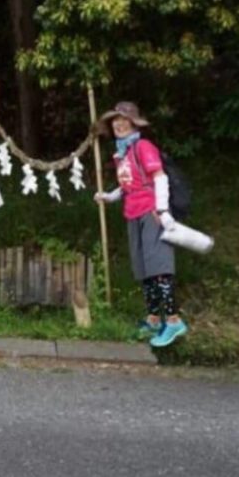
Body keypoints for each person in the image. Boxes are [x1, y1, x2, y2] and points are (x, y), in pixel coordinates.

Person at [93, 101, 188, 347]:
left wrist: (163, 210)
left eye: (124, 120)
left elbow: (159, 177)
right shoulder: (122, 153)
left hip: (151, 213)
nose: (119, 124)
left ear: (134, 123)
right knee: (144, 270)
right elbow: (129, 185)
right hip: (132, 213)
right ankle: (154, 320)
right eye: (115, 120)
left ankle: (174, 321)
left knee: (159, 268)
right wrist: (110, 196)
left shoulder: (143, 146)